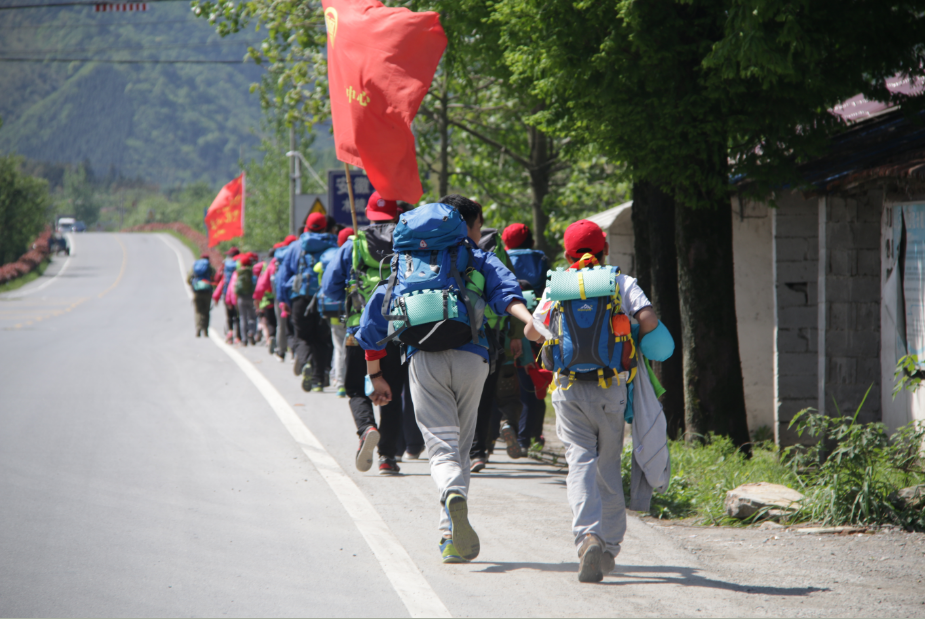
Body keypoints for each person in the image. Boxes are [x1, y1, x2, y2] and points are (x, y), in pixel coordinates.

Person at [355, 195, 538, 564]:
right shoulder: (474, 256)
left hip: (424, 359)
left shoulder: (403, 262)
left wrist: (375, 375)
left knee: (441, 449)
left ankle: (450, 508)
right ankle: (449, 534)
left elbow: (373, 322)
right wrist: (529, 320)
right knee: (461, 448)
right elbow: (505, 291)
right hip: (473, 357)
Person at [531, 219, 674, 583]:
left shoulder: (558, 285)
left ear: (567, 254)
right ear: (605, 250)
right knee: (607, 466)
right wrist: (632, 335)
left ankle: (587, 537)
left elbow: (533, 330)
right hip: (611, 388)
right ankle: (609, 546)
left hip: (569, 390)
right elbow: (649, 320)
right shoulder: (620, 282)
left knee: (579, 462)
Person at [322, 193, 407, 474]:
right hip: (396, 328)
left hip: (358, 329)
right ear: (396, 214)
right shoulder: (406, 242)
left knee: (357, 388)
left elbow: (329, 288)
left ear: (369, 214)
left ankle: (366, 428)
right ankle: (388, 458)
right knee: (392, 392)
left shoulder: (354, 245)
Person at [502, 223, 552, 453]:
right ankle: (533, 436)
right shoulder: (540, 259)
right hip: (538, 325)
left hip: (509, 325)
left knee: (513, 381)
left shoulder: (502, 259)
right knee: (537, 379)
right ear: (531, 242)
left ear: (505, 244)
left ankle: (510, 429)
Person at [277, 213, 338, 392]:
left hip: (300, 297)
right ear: (325, 227)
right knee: (322, 339)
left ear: (306, 227)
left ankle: (305, 362)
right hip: (323, 299)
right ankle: (318, 380)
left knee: (303, 336)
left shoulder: (296, 246)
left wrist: (284, 299)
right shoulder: (332, 245)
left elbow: (283, 276)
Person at [329, 227, 355, 397]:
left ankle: (340, 382)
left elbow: (328, 286)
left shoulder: (336, 255)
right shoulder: (365, 252)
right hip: (361, 312)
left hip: (338, 311)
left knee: (339, 347)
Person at [187, 253, 215, 337]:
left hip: (197, 291)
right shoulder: (209, 267)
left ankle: (198, 329)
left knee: (198, 311)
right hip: (207, 291)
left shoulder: (195, 266)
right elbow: (215, 277)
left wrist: (192, 285)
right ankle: (206, 330)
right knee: (206, 311)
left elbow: (188, 279)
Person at [235, 252, 258, 346]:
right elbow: (255, 284)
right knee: (252, 317)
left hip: (241, 297)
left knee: (243, 318)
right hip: (251, 296)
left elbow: (235, 286)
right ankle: (251, 332)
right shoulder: (252, 272)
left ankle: (244, 339)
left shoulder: (238, 272)